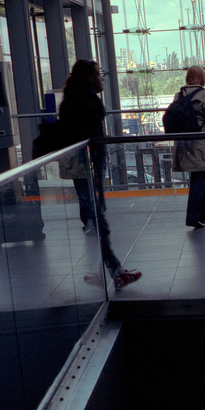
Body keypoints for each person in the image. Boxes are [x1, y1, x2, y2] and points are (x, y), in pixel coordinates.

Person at [58, 59, 141, 289]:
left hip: (81, 166)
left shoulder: (71, 100)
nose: (101, 78)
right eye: (97, 73)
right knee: (98, 216)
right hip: (90, 166)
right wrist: (95, 170)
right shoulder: (88, 102)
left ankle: (108, 272)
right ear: (88, 77)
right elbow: (90, 138)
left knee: (96, 217)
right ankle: (115, 273)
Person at [172, 65, 205, 229]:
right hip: (201, 142)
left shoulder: (179, 95)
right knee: (199, 177)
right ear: (202, 78)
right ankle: (193, 217)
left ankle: (203, 215)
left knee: (198, 176)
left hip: (184, 142)